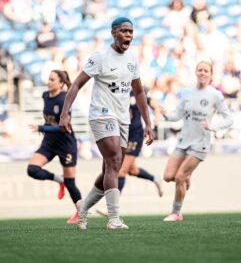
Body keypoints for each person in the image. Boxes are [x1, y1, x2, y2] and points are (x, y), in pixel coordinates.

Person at [59, 17, 154, 230]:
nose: (128, 35)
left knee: (111, 167)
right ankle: (114, 219)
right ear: (113, 33)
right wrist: (65, 113)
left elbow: (139, 91)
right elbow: (76, 84)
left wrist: (148, 122)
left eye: (131, 31)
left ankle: (82, 209)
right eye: (124, 31)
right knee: (114, 160)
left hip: (123, 118)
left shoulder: (132, 59)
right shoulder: (101, 57)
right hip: (101, 114)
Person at [160, 61, 233, 221]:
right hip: (183, 140)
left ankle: (176, 213)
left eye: (206, 71)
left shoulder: (215, 95)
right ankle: (187, 176)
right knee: (167, 176)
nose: (202, 73)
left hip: (200, 143)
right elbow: (178, 114)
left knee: (179, 177)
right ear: (195, 72)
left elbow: (229, 119)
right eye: (199, 70)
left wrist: (212, 126)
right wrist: (166, 114)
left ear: (211, 75)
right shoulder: (187, 92)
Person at [27, 70, 82, 224]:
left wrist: (42, 128)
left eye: (52, 79)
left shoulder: (64, 99)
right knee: (32, 169)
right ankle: (59, 180)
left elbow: (64, 127)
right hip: (50, 143)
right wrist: (44, 128)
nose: (49, 82)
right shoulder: (45, 95)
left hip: (66, 144)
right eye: (48, 79)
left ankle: (81, 212)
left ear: (61, 83)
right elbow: (50, 119)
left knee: (71, 183)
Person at [118, 89, 163, 195]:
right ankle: (155, 179)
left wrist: (155, 122)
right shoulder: (116, 90)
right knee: (132, 170)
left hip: (135, 134)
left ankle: (112, 207)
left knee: (122, 170)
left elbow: (154, 106)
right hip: (123, 135)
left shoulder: (135, 91)